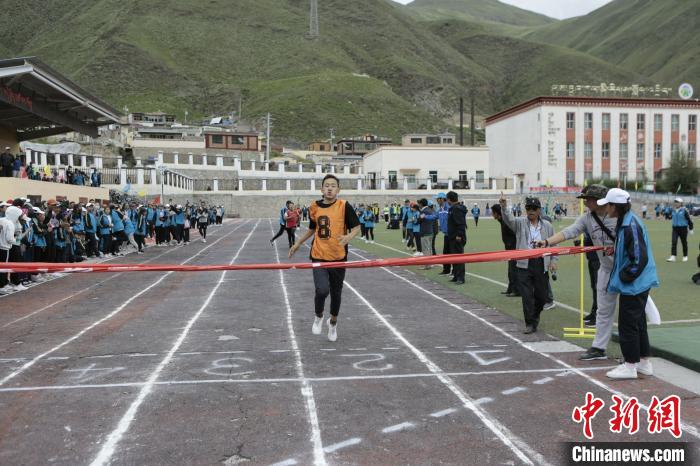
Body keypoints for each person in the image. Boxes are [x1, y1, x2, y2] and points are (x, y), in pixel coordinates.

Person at [537, 185, 618, 360]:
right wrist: (547, 242)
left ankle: (635, 355)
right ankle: (599, 348)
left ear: (599, 201)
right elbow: (570, 231)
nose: (585, 203)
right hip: (605, 269)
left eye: (588, 199)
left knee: (631, 312)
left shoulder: (619, 217)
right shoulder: (588, 218)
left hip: (625, 270)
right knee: (603, 311)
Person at [289, 174, 361, 342]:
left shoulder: (344, 206)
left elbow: (356, 227)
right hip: (319, 254)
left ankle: (333, 323)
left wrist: (348, 237)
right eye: (327, 185)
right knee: (322, 290)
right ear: (321, 189)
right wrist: (298, 242)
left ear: (338, 189)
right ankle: (319, 316)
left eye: (333, 186)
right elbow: (312, 229)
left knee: (336, 293)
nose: (330, 188)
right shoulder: (314, 206)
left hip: (338, 256)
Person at [597, 188, 659, 380]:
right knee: (638, 323)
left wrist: (625, 277)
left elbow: (639, 259)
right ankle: (643, 363)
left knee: (628, 324)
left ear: (615, 206)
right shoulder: (627, 221)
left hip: (634, 284)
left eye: (608, 205)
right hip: (637, 282)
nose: (605, 209)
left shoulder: (630, 224)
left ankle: (630, 365)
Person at [499, 194, 557, 334]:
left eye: (534, 208)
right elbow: (508, 219)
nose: (530, 211)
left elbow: (554, 244)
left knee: (542, 296)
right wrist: (504, 207)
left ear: (539, 210)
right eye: (528, 208)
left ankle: (535, 315)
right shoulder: (520, 223)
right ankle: (530, 323)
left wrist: (553, 261)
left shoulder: (547, 226)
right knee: (526, 296)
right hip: (524, 263)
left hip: (541, 262)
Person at [491, 204, 519, 297]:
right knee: (510, 270)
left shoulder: (505, 222)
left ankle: (516, 290)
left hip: (513, 249)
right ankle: (510, 289)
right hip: (509, 249)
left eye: (493, 212)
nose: (492, 214)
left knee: (513, 270)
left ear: (496, 213)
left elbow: (515, 233)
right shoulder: (502, 221)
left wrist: (511, 244)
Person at [446, 191, 467, 284]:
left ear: (449, 199)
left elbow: (461, 224)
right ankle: (456, 275)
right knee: (454, 257)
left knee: (459, 257)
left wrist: (459, 235)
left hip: (457, 237)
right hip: (452, 236)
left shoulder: (456, 209)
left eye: (447, 199)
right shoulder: (453, 208)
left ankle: (460, 278)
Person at [667, 197, 694, 262]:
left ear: (681, 203)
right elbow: (669, 217)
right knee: (674, 242)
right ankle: (673, 256)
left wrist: (691, 228)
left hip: (683, 228)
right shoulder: (673, 210)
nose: (676, 203)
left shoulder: (684, 210)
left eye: (677, 202)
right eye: (675, 202)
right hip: (675, 228)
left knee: (684, 242)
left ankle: (685, 256)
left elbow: (689, 220)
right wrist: (668, 212)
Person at [417, 198, 437, 269]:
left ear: (421, 204)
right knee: (429, 248)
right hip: (430, 231)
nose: (418, 205)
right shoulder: (430, 210)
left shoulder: (424, 211)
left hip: (425, 232)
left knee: (425, 249)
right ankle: (430, 263)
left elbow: (419, 220)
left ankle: (427, 265)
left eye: (419, 203)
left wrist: (418, 218)